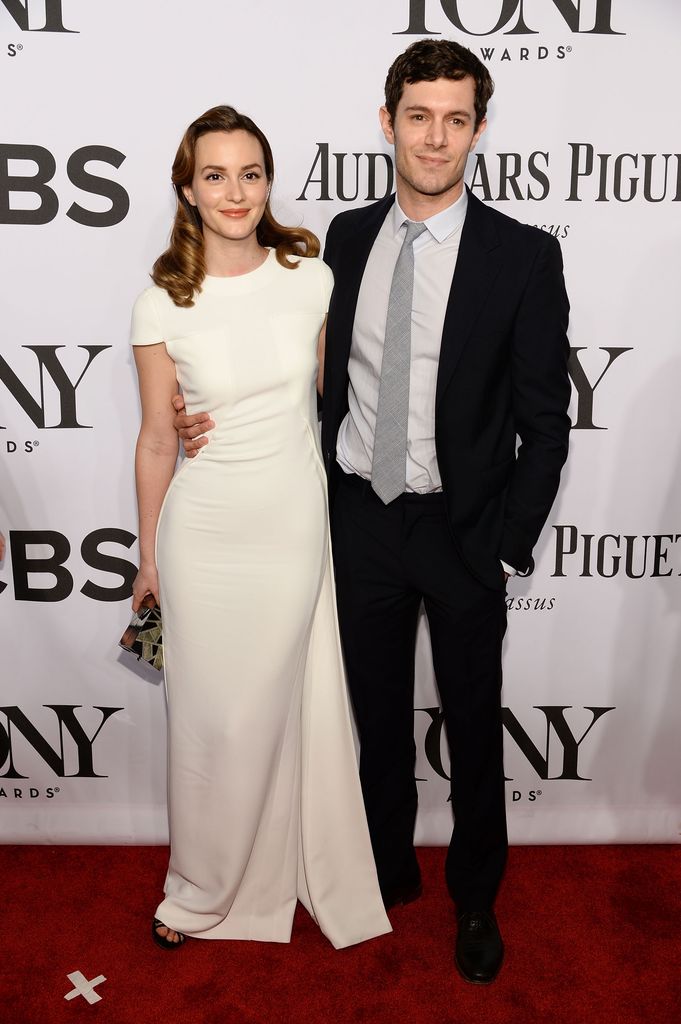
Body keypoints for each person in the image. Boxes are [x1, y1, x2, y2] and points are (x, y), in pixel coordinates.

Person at [176, 39, 571, 985]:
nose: (436, 137)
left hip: (464, 531)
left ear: (478, 129)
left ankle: (474, 894)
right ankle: (382, 867)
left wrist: (506, 547)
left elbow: (545, 423)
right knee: (373, 716)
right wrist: (201, 418)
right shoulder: (338, 241)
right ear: (386, 121)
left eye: (456, 118)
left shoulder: (523, 255)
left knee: (474, 721)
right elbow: (272, 352)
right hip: (357, 517)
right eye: (419, 115)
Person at [130, 105, 390, 952]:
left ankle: (284, 867)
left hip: (289, 523)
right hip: (201, 531)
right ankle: (200, 886)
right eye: (215, 175)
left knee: (270, 708)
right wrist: (147, 556)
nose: (235, 191)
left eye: (250, 173)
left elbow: (334, 397)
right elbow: (158, 435)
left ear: (267, 182)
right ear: (187, 189)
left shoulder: (308, 275)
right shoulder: (161, 301)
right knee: (209, 717)